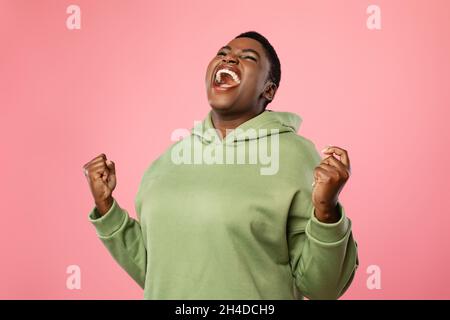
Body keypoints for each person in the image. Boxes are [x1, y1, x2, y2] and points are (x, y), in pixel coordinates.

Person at [82, 31, 359, 299]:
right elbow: (155, 273)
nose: (229, 59)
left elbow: (322, 289)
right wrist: (106, 207)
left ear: (269, 89)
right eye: (222, 53)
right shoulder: (169, 160)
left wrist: (327, 211)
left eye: (248, 57)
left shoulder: (295, 156)